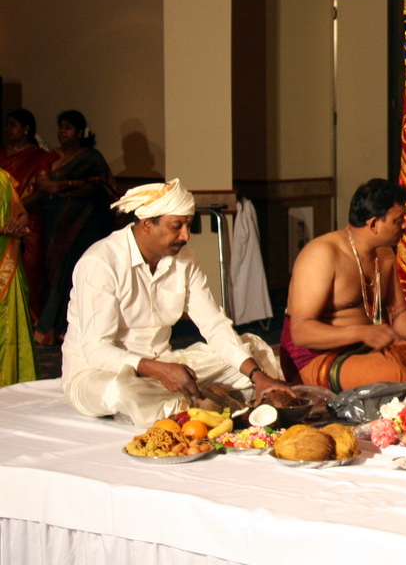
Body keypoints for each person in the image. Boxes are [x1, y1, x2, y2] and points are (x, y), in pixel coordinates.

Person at [61, 180, 290, 426]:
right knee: (124, 390)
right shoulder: (101, 262)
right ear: (147, 224)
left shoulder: (185, 260)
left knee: (251, 351)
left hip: (164, 365)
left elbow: (214, 325)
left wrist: (256, 376)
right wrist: (159, 370)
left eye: (188, 225)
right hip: (98, 374)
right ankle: (196, 403)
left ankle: (190, 402)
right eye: (176, 226)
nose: (186, 236)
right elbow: (97, 350)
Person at [282, 178, 406, 391]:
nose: (405, 225)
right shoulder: (321, 255)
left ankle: (401, 377)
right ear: (374, 224)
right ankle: (405, 379)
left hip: (367, 347)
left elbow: (397, 314)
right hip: (319, 358)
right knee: (394, 376)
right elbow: (301, 333)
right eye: (398, 220)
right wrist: (361, 332)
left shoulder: (384, 252)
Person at [35, 110, 116, 345]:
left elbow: (100, 187)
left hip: (87, 225)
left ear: (80, 132)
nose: (62, 132)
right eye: (60, 127)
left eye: (68, 127)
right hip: (56, 223)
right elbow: (44, 186)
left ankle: (74, 327)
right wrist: (73, 186)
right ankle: (53, 328)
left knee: (82, 272)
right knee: (57, 272)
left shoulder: (91, 157)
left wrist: (62, 185)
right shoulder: (50, 156)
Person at [1, 110, 56, 325]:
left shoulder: (38, 155)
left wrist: (18, 207)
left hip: (29, 217)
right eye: (6, 125)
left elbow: (42, 190)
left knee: (32, 269)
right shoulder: (1, 152)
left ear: (26, 129)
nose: (8, 129)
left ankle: (32, 319)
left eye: (13, 125)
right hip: (2, 218)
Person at [0, 168, 37, 387]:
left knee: (9, 328)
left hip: (9, 265)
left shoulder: (2, 178)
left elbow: (22, 214)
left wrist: (17, 225)